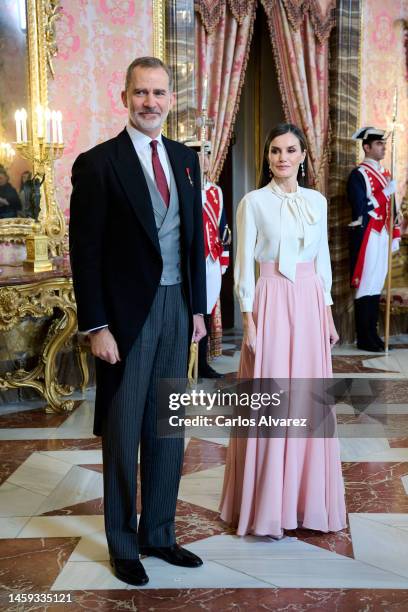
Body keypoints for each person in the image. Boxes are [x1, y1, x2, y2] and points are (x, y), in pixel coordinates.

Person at [69, 56, 207, 586]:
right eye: (141, 92)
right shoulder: (98, 163)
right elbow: (86, 252)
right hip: (125, 318)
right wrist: (96, 325)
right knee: (125, 431)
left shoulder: (185, 159)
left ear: (171, 99)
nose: (151, 102)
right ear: (124, 97)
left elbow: (193, 239)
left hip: (177, 308)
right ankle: (123, 544)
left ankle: (160, 534)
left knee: (169, 427)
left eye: (160, 92)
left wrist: (197, 308)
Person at [220, 123, 347, 537]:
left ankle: (307, 503)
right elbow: (243, 268)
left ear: (303, 155)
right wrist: (249, 320)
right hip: (271, 301)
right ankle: (268, 507)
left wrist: (327, 313)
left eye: (291, 150)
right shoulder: (252, 202)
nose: (282, 158)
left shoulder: (317, 201)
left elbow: (323, 260)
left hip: (310, 302)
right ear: (267, 157)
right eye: (275, 151)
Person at [347, 127, 400, 352]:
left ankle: (373, 334)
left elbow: (392, 208)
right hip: (367, 234)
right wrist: (384, 193)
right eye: (378, 144)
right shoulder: (358, 175)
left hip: (382, 235)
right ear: (366, 147)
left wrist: (395, 226)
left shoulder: (386, 174)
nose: (383, 147)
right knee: (366, 284)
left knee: (377, 284)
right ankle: (364, 337)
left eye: (384, 144)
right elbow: (360, 208)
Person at [186, 142, 229, 378]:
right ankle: (184, 364)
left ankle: (201, 364)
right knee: (190, 312)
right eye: (200, 154)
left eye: (208, 155)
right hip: (189, 261)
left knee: (208, 310)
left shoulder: (215, 191)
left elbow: (222, 228)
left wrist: (223, 259)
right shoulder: (182, 188)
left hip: (211, 260)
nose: (205, 159)